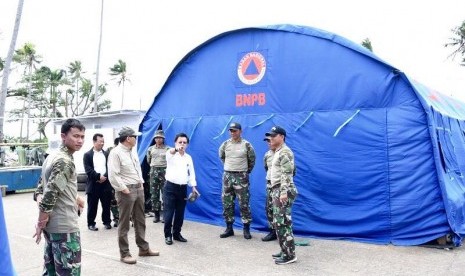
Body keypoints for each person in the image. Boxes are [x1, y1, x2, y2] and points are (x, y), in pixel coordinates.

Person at [33, 118, 86, 275]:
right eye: (76, 136)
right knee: (68, 272)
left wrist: (76, 198)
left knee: (50, 272)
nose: (80, 140)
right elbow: (50, 195)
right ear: (64, 136)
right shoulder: (64, 161)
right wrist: (40, 222)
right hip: (64, 229)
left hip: (54, 228)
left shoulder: (52, 156)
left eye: (82, 137)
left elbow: (40, 189)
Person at [108, 126, 159, 264]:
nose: (136, 139)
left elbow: (136, 169)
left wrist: (141, 183)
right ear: (128, 138)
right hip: (126, 190)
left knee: (140, 220)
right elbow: (113, 174)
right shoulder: (116, 153)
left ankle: (143, 248)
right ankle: (124, 254)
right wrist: (124, 189)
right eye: (135, 137)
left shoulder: (132, 151)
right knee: (124, 224)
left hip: (138, 188)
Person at [266, 126, 298, 265]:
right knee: (279, 223)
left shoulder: (285, 152)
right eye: (270, 136)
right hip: (277, 189)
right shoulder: (277, 152)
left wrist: (284, 191)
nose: (271, 138)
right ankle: (285, 250)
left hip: (282, 190)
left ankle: (290, 255)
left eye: (274, 136)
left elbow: (288, 173)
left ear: (282, 137)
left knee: (283, 223)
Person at [218, 122, 256, 239]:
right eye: (231, 131)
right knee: (227, 202)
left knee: (244, 203)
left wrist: (244, 171)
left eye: (235, 130)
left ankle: (246, 229)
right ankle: (229, 228)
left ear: (240, 131)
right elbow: (222, 157)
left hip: (241, 177)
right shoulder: (225, 145)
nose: (233, 133)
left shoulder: (247, 145)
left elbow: (252, 160)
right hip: (227, 176)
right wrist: (230, 168)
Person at [163, 132, 199, 245]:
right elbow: (170, 152)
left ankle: (177, 234)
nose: (182, 144)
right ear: (175, 143)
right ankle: (168, 235)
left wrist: (193, 187)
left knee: (180, 213)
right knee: (169, 213)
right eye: (180, 142)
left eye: (184, 142)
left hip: (182, 188)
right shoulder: (170, 154)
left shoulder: (188, 158)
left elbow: (191, 174)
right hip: (170, 187)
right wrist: (176, 149)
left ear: (187, 144)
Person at [83, 133, 112, 231]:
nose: (102, 143)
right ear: (94, 142)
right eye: (100, 141)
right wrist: (98, 177)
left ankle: (107, 222)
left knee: (106, 204)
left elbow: (110, 167)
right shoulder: (87, 155)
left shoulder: (107, 154)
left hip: (105, 183)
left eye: (103, 141)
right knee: (92, 205)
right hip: (93, 184)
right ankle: (91, 223)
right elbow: (88, 169)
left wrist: (105, 176)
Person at [146, 130, 169, 223]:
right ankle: (156, 215)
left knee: (165, 194)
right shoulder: (150, 149)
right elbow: (148, 160)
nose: (158, 139)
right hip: (154, 170)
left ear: (163, 139)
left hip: (164, 171)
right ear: (154, 139)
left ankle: (165, 215)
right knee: (154, 194)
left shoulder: (168, 149)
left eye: (160, 138)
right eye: (156, 138)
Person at [261, 136, 277, 242]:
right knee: (269, 208)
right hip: (270, 185)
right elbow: (266, 168)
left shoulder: (284, 153)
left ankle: (282, 233)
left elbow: (291, 171)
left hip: (279, 186)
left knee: (280, 211)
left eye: (270, 141)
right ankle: (273, 231)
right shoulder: (267, 155)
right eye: (267, 141)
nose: (269, 143)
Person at [106, 137, 120, 227]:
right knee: (113, 201)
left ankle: (128, 218)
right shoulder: (110, 150)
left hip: (123, 179)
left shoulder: (128, 150)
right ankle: (116, 219)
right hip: (112, 180)